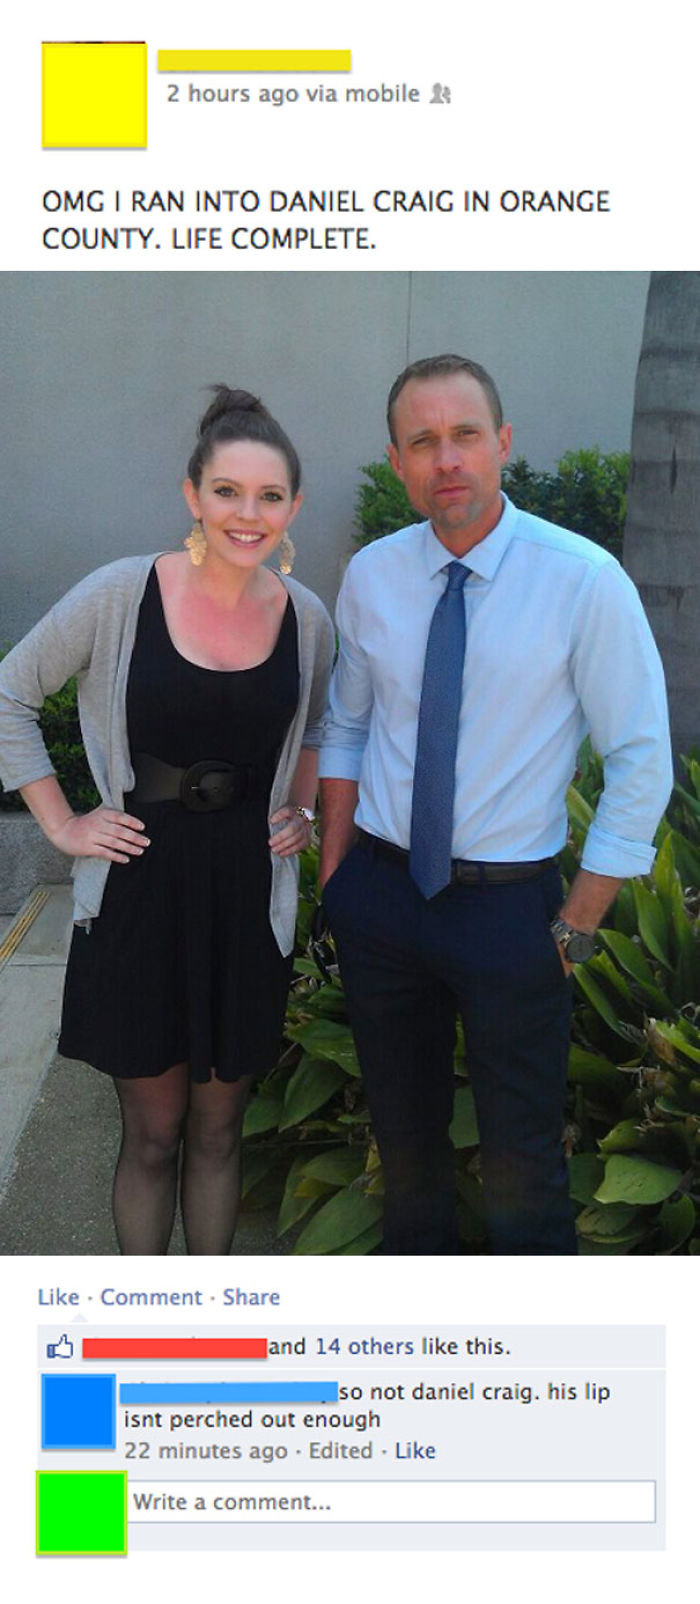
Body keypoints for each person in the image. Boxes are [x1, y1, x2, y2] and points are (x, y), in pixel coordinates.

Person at [318, 353, 673, 1257]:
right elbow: (347, 727)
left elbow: (640, 758)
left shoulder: (582, 579)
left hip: (512, 912)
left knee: (523, 1163)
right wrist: (338, 879)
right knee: (404, 1148)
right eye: (423, 441)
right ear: (396, 460)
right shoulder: (372, 576)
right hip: (383, 898)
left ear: (503, 443)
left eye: (465, 435)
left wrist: (576, 925)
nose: (447, 459)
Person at [0, 387, 334, 1256]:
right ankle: (146, 1319)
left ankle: (207, 1319)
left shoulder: (306, 619)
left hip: (246, 898)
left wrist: (301, 809)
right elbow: (10, 693)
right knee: (152, 1135)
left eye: (268, 495)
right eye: (227, 491)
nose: (247, 514)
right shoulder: (121, 593)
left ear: (293, 507)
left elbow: (320, 727)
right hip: (140, 891)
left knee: (220, 1133)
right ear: (193, 494)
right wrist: (62, 824)